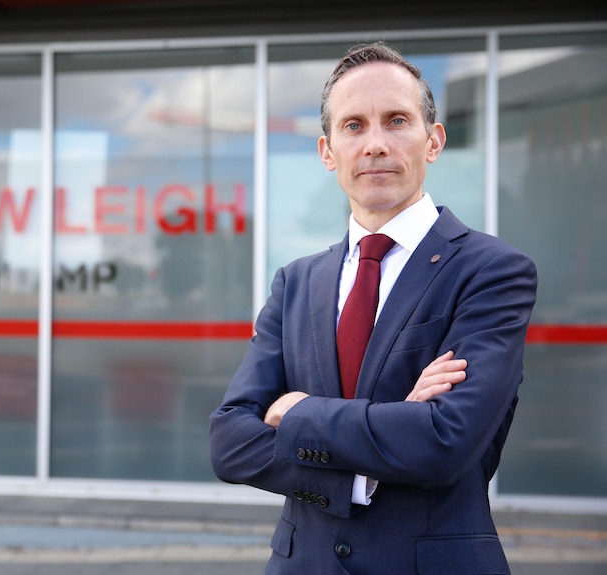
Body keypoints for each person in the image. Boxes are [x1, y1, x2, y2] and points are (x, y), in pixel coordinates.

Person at [208, 41, 537, 575]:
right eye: (354, 125)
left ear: (433, 142)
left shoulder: (493, 271)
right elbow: (229, 442)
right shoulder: (295, 282)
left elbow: (444, 442)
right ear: (327, 151)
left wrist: (296, 413)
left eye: (397, 121)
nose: (376, 144)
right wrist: (386, 437)